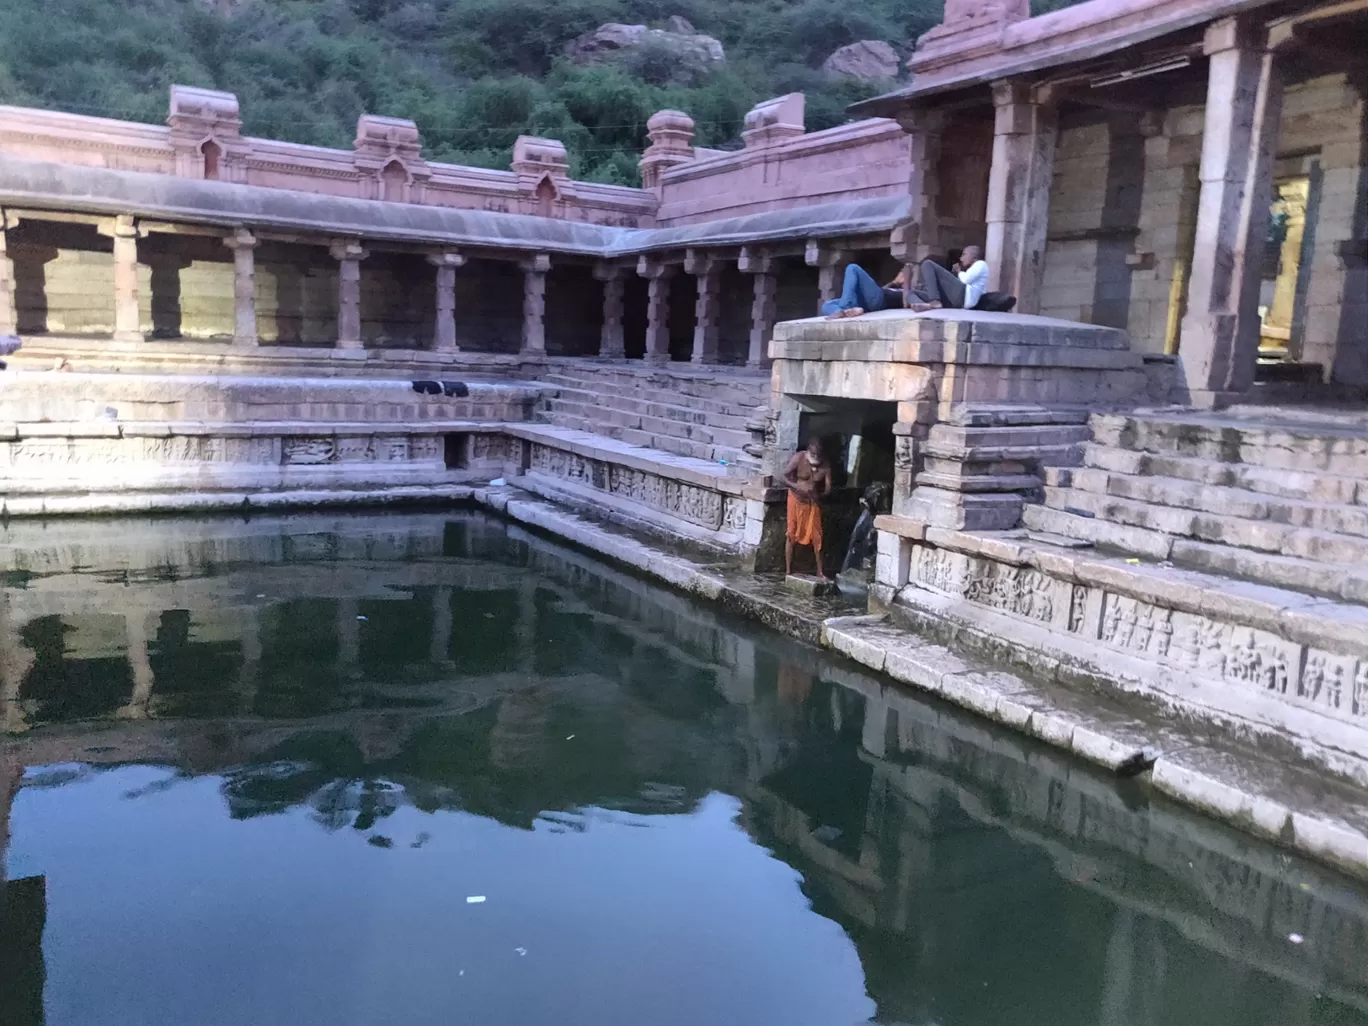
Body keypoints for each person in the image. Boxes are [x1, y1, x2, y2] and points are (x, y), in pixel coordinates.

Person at [783, 437, 832, 579]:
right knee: (791, 533)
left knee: (817, 536)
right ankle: (788, 570)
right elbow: (784, 476)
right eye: (814, 455)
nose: (816, 458)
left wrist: (819, 494)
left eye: (819, 456)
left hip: (812, 502)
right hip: (795, 498)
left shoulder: (825, 465)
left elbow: (829, 488)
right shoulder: (799, 458)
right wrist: (796, 486)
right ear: (809, 452)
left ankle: (820, 571)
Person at [908, 244, 989, 312]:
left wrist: (959, 271)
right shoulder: (973, 268)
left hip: (964, 297)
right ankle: (924, 305)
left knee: (927, 264)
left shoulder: (981, 264)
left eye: (964, 254)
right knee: (911, 293)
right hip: (956, 301)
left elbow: (965, 280)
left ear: (974, 256)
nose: (961, 259)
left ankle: (934, 300)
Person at [822, 264, 908, 319]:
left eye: (904, 273)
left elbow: (887, 295)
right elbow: (884, 289)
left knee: (852, 268)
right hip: (864, 302)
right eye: (901, 272)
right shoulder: (894, 286)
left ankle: (844, 308)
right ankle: (846, 311)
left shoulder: (908, 293)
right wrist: (894, 282)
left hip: (879, 300)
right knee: (827, 305)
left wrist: (907, 283)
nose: (901, 274)